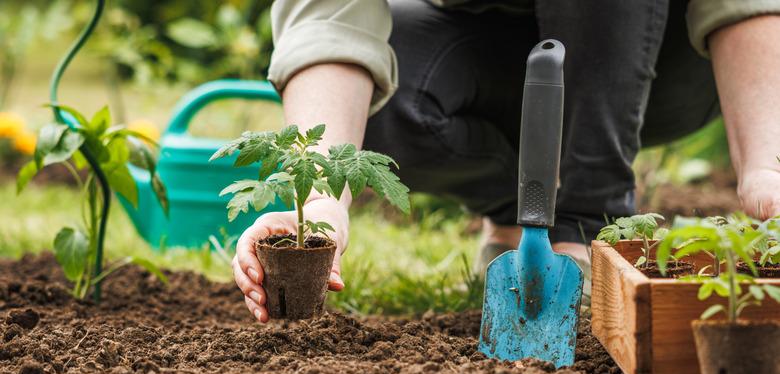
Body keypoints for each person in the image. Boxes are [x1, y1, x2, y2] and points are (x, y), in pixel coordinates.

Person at [233, 0, 780, 323]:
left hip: (660, 55)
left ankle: (584, 222)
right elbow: (329, 18)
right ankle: (521, 211)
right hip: (483, 43)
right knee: (388, 100)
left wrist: (767, 167)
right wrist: (325, 204)